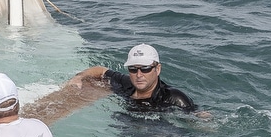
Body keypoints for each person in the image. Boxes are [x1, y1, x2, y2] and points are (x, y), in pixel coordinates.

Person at [64, 44, 208, 116]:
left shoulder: (173, 97)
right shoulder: (126, 84)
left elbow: (196, 116)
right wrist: (79, 77)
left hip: (161, 130)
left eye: (145, 69)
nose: (139, 74)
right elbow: (100, 70)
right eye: (133, 69)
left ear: (157, 69)